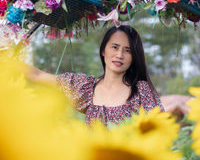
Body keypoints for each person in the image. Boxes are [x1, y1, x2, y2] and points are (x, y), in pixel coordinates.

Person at [28, 25, 164, 125]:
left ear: (134, 56)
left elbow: (160, 130)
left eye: (127, 50)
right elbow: (36, 75)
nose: (119, 55)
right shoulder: (86, 87)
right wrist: (7, 58)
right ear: (103, 50)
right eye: (115, 47)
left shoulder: (141, 91)